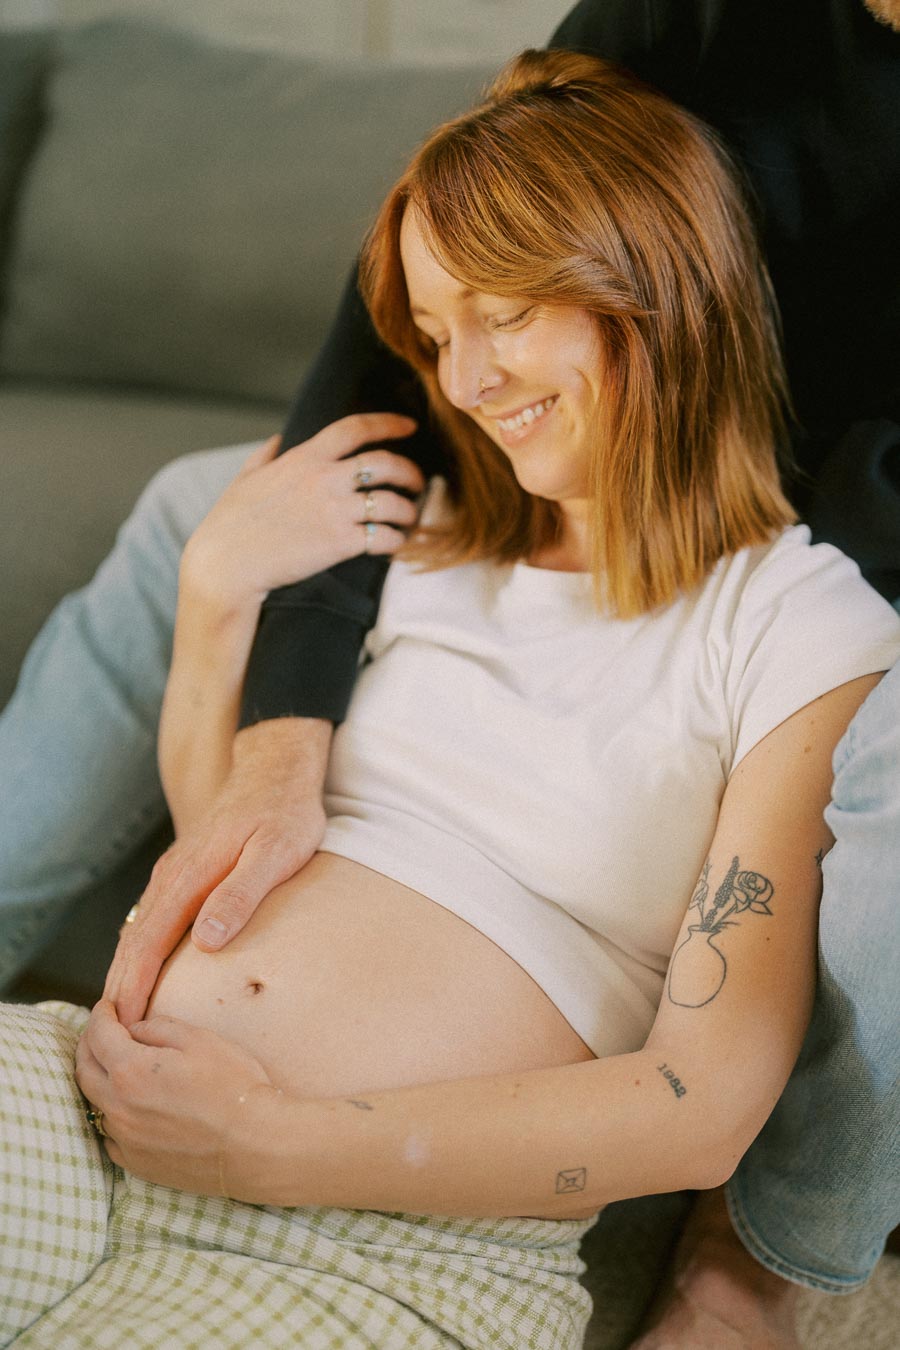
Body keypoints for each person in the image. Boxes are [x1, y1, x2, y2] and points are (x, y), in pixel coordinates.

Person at [1, 0, 898, 1345]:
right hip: (91, 1101)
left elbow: (703, 1099)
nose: (461, 381)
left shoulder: (794, 632)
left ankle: (755, 1282)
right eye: (433, 333)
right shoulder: (411, 535)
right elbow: (223, 864)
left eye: (505, 317)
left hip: (379, 1247)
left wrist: (271, 1143)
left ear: (655, 292)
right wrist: (216, 593)